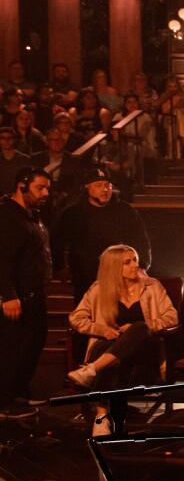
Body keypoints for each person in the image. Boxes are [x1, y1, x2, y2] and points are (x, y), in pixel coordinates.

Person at [67, 245, 178, 436]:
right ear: (113, 267)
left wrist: (147, 325)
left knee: (139, 327)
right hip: (110, 349)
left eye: (135, 259)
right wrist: (101, 329)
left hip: (145, 352)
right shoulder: (98, 289)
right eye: (127, 262)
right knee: (108, 349)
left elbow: (172, 317)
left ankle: (92, 370)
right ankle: (101, 417)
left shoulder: (152, 286)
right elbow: (76, 319)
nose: (135, 265)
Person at [52, 168, 152, 304]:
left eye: (107, 185)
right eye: (99, 185)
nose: (104, 189)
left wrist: (142, 266)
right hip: (84, 276)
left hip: (119, 276)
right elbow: (57, 241)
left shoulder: (125, 211)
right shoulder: (73, 213)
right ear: (87, 187)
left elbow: (140, 240)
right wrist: (60, 267)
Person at [0, 168, 52, 417]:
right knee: (11, 349)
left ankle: (18, 392)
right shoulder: (7, 216)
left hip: (35, 293)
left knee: (32, 343)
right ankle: (4, 400)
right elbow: (2, 259)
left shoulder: (32, 215)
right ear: (22, 186)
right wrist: (8, 295)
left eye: (47, 188)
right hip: (16, 296)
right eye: (40, 188)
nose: (45, 193)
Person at [0, 127, 31, 194]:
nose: (6, 140)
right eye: (3, 138)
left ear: (14, 140)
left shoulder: (24, 159)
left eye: (10, 138)